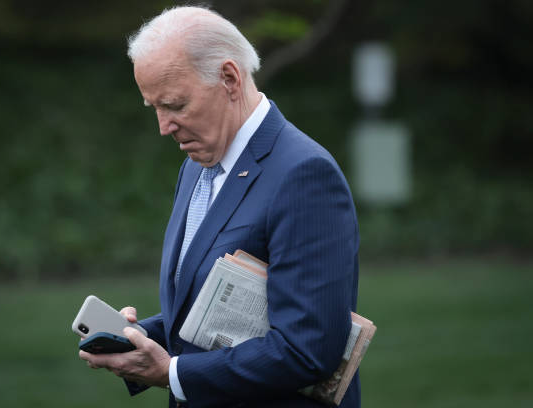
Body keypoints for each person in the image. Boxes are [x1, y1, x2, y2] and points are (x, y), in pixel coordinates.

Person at [79, 6, 360, 408]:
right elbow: (215, 311)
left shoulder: (305, 175)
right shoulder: (197, 166)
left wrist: (171, 372)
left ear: (229, 78)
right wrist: (140, 340)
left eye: (175, 105)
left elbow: (307, 349)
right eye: (154, 108)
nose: (163, 126)